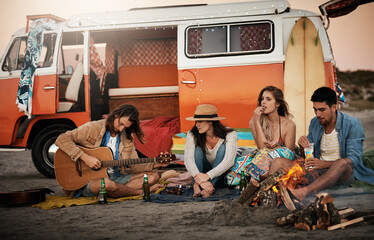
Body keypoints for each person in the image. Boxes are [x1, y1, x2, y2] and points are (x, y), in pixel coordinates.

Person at [269, 86, 374, 201]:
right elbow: (307, 156)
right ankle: (269, 193)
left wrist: (324, 164)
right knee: (278, 162)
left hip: (343, 173)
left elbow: (353, 160)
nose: (317, 114)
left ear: (334, 107)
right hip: (317, 171)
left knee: (342, 163)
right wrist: (302, 146)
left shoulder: (352, 124)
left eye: (322, 110)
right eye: (315, 109)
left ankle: (303, 192)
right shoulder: (315, 122)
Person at [55, 104, 167, 198]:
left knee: (154, 176)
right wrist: (85, 157)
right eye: (121, 124)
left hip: (116, 178)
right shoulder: (92, 128)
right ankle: (139, 192)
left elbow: (135, 165)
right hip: (89, 182)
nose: (121, 129)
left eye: (125, 127)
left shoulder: (127, 138)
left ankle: (115, 192)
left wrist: (156, 164)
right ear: (116, 115)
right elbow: (61, 139)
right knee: (107, 184)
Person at [184, 104, 237, 198]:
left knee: (222, 148)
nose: (197, 125)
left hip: (221, 175)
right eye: (196, 121)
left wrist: (208, 176)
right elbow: (188, 160)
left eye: (200, 121)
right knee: (198, 149)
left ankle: (205, 188)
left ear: (210, 122)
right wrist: (200, 180)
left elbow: (229, 161)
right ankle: (200, 186)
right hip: (202, 175)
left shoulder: (230, 134)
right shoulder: (192, 134)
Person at [245, 86, 296, 182]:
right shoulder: (254, 122)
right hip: (263, 160)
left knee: (276, 153)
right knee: (239, 165)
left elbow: (290, 153)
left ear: (277, 103)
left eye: (268, 99)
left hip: (281, 164)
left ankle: (257, 180)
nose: (263, 102)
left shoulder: (289, 124)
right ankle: (262, 179)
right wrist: (256, 121)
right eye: (262, 99)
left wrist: (277, 148)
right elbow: (261, 148)